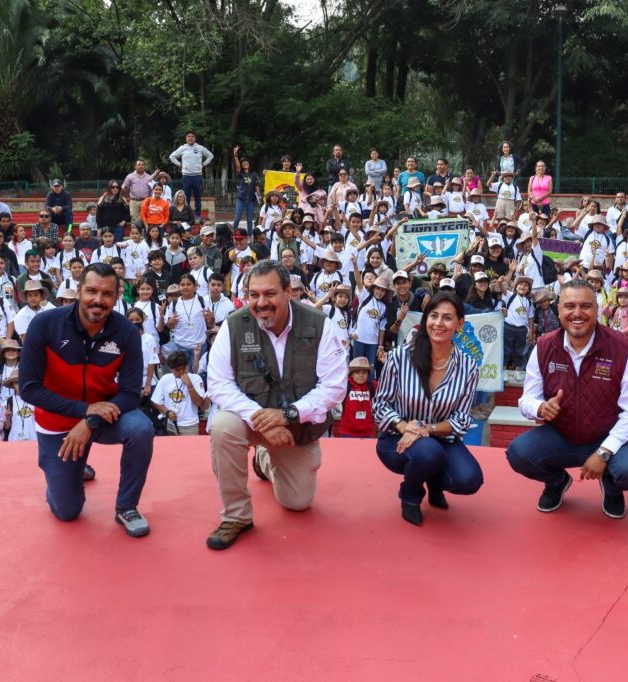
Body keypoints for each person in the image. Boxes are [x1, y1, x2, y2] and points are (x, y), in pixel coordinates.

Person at [205, 260, 348, 550]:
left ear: (288, 292)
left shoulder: (320, 325)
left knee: (297, 502)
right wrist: (261, 419)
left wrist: (286, 415)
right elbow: (218, 384)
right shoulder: (233, 326)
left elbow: (334, 388)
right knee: (222, 426)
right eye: (253, 295)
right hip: (251, 420)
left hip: (297, 425)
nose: (261, 303)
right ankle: (236, 516)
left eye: (269, 294)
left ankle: (264, 460)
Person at [18, 263, 155, 537]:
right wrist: (83, 410)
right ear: (79, 291)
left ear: (117, 297)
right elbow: (29, 389)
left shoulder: (126, 331)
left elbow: (130, 393)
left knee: (141, 428)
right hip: (57, 422)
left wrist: (89, 420)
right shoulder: (45, 324)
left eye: (107, 294)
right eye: (91, 291)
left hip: (102, 416)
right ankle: (69, 473)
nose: (98, 300)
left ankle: (126, 507)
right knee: (67, 512)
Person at [506, 280, 628, 519]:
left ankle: (613, 488)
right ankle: (557, 482)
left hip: (606, 435)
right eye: (569, 306)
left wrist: (604, 452)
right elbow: (527, 400)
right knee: (518, 453)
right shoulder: (544, 345)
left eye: (585, 306)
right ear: (559, 309)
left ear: (597, 309)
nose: (577, 313)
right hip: (560, 436)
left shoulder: (623, 349)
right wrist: (541, 407)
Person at [373, 292, 483, 525]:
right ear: (425, 320)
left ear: (460, 324)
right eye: (433, 316)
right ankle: (410, 495)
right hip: (397, 439)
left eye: (447, 318)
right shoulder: (400, 357)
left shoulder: (469, 366)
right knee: (427, 453)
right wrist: (405, 426)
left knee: (469, 479)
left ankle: (434, 482)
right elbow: (380, 405)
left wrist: (427, 429)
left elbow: (462, 418)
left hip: (440, 438)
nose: (439, 324)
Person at [169, 130, 214, 216]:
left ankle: (197, 215)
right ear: (186, 139)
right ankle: (187, 215)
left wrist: (204, 164)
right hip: (186, 176)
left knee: (198, 197)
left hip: (197, 176)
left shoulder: (200, 148)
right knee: (186, 198)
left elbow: (210, 155)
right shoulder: (182, 148)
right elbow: (172, 156)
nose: (190, 138)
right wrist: (179, 164)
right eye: (188, 136)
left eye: (192, 136)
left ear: (195, 138)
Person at [231, 146, 261, 230]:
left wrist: (259, 197)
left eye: (246, 162)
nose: (245, 163)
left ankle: (249, 236)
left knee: (249, 220)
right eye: (243, 163)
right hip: (241, 199)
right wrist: (235, 155)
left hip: (251, 200)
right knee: (237, 218)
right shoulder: (240, 174)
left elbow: (257, 186)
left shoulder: (254, 174)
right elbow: (237, 166)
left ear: (249, 164)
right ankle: (233, 234)